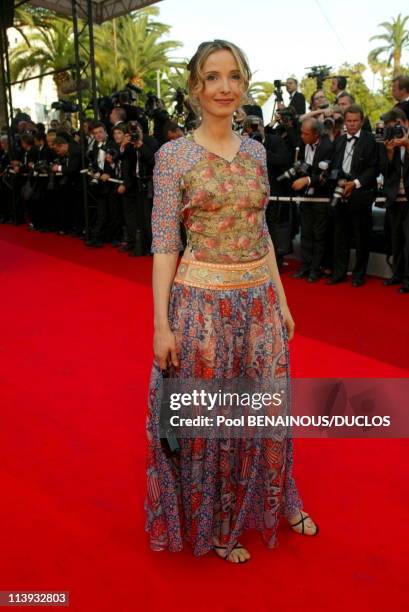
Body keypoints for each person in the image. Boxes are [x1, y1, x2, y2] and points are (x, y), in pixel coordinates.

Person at [145, 39, 318, 565]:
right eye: (213, 77)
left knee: (268, 409)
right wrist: (161, 325)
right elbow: (164, 243)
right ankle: (218, 520)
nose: (225, 87)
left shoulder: (257, 151)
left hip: (259, 300)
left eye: (234, 77)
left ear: (244, 85)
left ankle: (277, 497)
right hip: (201, 306)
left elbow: (260, 230)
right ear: (196, 86)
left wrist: (282, 301)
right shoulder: (172, 157)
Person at [327, 104, 378, 287]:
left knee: (361, 237)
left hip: (361, 195)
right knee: (340, 237)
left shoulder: (369, 140)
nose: (352, 124)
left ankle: (358, 275)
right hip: (340, 195)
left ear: (362, 121)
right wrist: (338, 180)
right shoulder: (339, 141)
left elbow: (373, 168)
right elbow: (333, 164)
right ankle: (339, 273)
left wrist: (354, 183)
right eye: (348, 121)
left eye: (355, 121)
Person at [291, 118, 334, 282]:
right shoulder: (303, 145)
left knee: (319, 235)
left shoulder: (327, 147)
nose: (302, 136)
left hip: (321, 197)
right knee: (306, 233)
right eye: (301, 132)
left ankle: (316, 269)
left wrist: (308, 180)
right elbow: (302, 164)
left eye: (305, 133)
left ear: (316, 134)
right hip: (305, 196)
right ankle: (305, 266)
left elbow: (326, 174)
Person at [382, 109, 409, 294]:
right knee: (396, 240)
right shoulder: (389, 142)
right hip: (394, 198)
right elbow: (384, 170)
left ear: (405, 123)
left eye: (398, 125)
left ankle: (408, 280)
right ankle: (397, 274)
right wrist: (390, 153)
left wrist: (408, 146)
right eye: (392, 127)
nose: (396, 131)